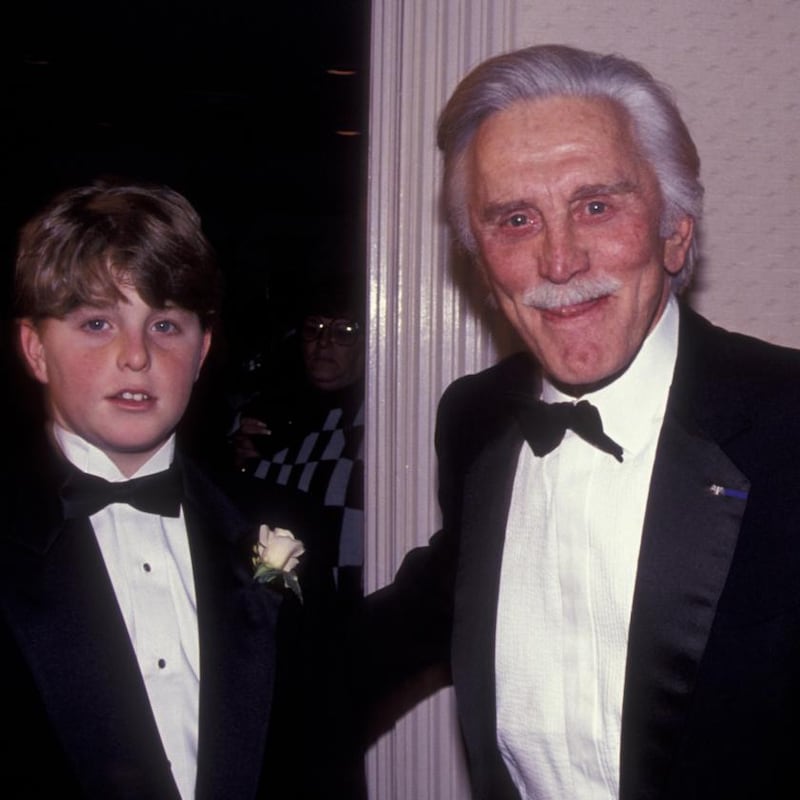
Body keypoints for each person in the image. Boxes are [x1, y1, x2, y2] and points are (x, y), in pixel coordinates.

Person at [363, 45, 800, 799]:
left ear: (675, 232)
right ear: (479, 260)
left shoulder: (788, 424)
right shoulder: (475, 419)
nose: (558, 260)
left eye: (596, 205)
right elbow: (436, 601)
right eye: (515, 219)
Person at [0, 180, 339, 799]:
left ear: (203, 349)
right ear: (36, 349)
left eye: (165, 325)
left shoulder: (283, 524)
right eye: (97, 322)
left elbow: (320, 753)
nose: (136, 356)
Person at [233, 274, 365, 611]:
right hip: (282, 606)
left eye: (343, 332)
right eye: (313, 329)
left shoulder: (374, 424)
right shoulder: (274, 412)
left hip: (349, 607)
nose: (323, 344)